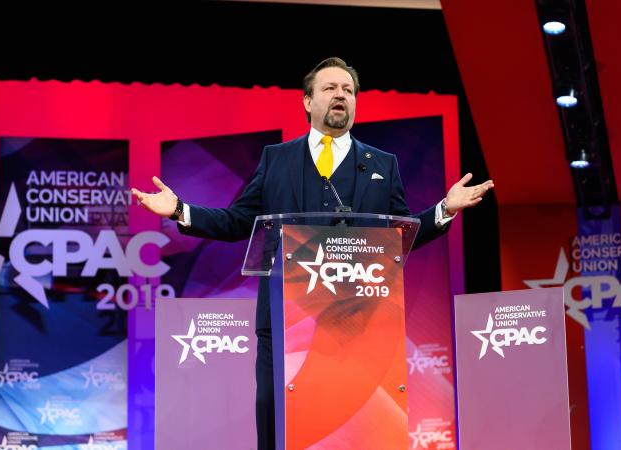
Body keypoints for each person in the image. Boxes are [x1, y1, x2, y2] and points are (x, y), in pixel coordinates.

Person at [131, 57, 494, 450]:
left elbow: (399, 236)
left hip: (360, 319)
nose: (341, 96)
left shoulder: (382, 165)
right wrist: (182, 210)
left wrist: (445, 209)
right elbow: (239, 221)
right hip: (286, 319)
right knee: (276, 416)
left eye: (348, 90)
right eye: (330, 88)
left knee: (352, 426)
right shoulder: (277, 159)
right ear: (307, 102)